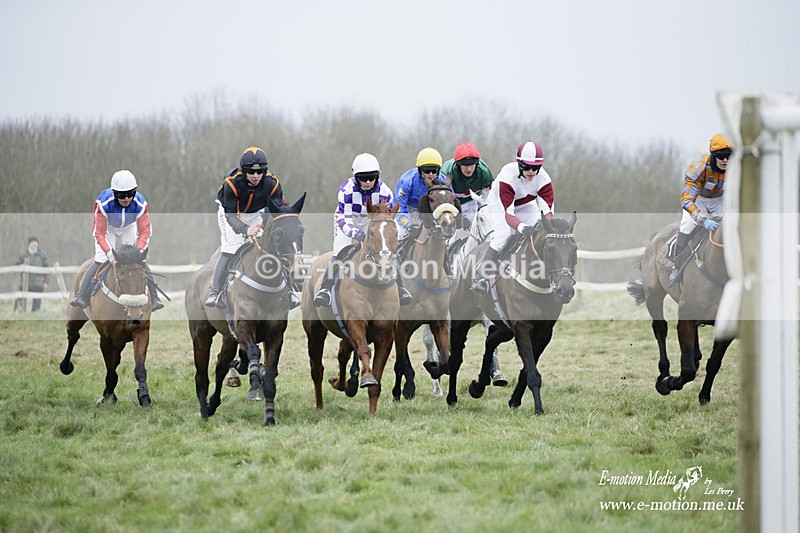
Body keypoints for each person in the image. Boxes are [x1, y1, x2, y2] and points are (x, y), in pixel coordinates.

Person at [205, 146, 300, 309]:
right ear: (244, 171)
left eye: (260, 172)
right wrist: (246, 229)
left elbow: (274, 212)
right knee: (231, 247)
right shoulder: (231, 183)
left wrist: (261, 224)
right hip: (231, 212)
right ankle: (216, 291)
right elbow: (231, 216)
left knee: (272, 247)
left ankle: (289, 290)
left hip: (257, 213)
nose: (256, 176)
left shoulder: (272, 182)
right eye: (251, 172)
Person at [313, 153, 411, 307]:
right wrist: (356, 234)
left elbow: (390, 218)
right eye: (363, 178)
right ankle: (325, 289)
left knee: (387, 252)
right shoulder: (346, 190)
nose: (368, 182)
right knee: (340, 252)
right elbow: (344, 218)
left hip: (371, 221)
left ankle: (401, 287)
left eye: (372, 177)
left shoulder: (385, 191)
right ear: (355, 177)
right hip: (347, 220)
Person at [70, 170, 164, 311]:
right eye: (121, 195)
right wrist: (110, 254)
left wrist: (138, 253)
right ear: (114, 194)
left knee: (139, 261)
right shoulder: (103, 203)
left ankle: (155, 298)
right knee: (101, 259)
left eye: (130, 194)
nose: (127, 198)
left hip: (129, 227)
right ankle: (81, 295)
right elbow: (99, 233)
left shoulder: (140, 203)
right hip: (107, 228)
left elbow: (145, 231)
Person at [471, 140, 554, 294]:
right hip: (499, 204)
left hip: (525, 204)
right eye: (527, 167)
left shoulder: (544, 179)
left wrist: (545, 227)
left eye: (535, 168)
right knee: (503, 234)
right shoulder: (507, 177)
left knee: (540, 232)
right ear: (519, 165)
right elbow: (509, 215)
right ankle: (481, 275)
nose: (531, 171)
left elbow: (547, 213)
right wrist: (522, 227)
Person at [668, 133, 732, 286]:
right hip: (698, 199)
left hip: (720, 200)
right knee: (687, 225)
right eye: (721, 155)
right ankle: (676, 264)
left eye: (728, 155)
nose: (725, 160)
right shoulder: (697, 167)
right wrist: (703, 219)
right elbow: (687, 200)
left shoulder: (735, 167)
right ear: (713, 155)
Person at [393, 147, 452, 238]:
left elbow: (450, 204)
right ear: (420, 170)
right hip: (408, 211)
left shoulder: (443, 181)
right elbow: (400, 208)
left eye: (434, 171)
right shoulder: (408, 181)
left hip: (428, 212)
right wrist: (408, 226)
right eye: (427, 171)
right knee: (399, 235)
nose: (431, 174)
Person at [441, 142, 494, 228]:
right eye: (465, 165)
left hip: (473, 202)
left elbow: (490, 197)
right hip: (451, 203)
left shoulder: (484, 172)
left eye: (472, 165)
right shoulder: (447, 172)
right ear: (458, 164)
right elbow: (443, 201)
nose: (469, 169)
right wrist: (460, 217)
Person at [13, 236, 49, 312]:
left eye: (35, 242)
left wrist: (46, 282)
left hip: (38, 283)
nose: (34, 244)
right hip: (25, 282)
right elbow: (16, 265)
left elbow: (47, 269)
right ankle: (16, 312)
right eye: (32, 242)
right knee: (20, 298)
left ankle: (35, 316)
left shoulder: (42, 256)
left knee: (37, 302)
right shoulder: (24, 255)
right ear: (29, 244)